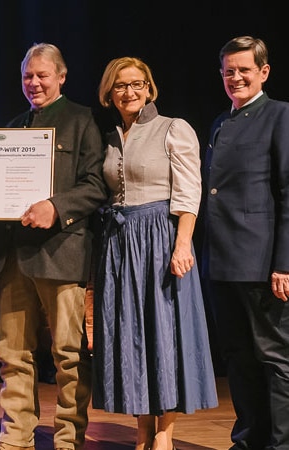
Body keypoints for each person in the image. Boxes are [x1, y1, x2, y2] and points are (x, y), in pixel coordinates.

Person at [0, 43, 107, 450]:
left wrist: (56, 207)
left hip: (61, 251)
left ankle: (68, 438)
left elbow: (96, 185)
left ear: (61, 77)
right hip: (13, 256)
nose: (34, 83)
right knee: (12, 352)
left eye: (42, 75)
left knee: (68, 353)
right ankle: (16, 436)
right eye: (27, 76)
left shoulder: (82, 120)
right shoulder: (11, 128)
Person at [92, 57, 218, 450]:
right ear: (109, 93)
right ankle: (143, 430)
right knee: (132, 336)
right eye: (120, 85)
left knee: (165, 334)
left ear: (149, 88)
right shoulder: (110, 137)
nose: (129, 92)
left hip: (161, 238)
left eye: (137, 84)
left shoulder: (173, 128)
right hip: (120, 243)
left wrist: (182, 244)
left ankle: (165, 433)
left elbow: (189, 191)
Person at [203, 36, 289, 450]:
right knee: (237, 357)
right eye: (228, 71)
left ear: (264, 72)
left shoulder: (280, 115)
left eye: (243, 70)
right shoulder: (221, 121)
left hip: (261, 262)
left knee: (275, 357)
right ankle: (247, 440)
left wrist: (284, 263)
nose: (235, 77)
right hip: (221, 261)